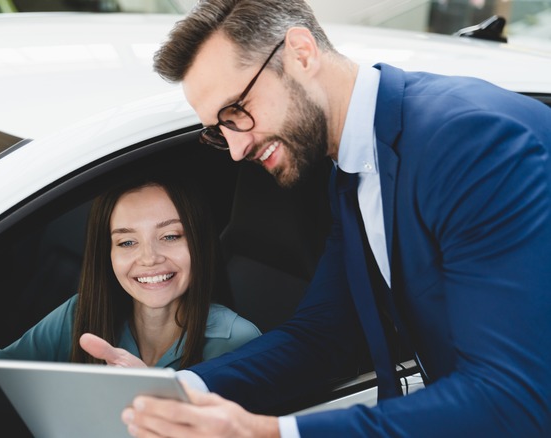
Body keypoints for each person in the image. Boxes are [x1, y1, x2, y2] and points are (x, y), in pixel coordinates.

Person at [80, 0, 551, 436]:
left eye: (237, 111)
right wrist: (178, 393)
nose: (238, 148)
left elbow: (514, 396)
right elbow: (326, 334)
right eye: (219, 130)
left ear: (301, 53)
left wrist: (270, 432)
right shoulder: (351, 166)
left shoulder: (471, 143)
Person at [0, 174, 261, 435]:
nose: (149, 258)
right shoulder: (80, 316)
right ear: (108, 253)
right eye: (127, 242)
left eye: (169, 236)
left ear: (199, 242)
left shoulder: (238, 342)